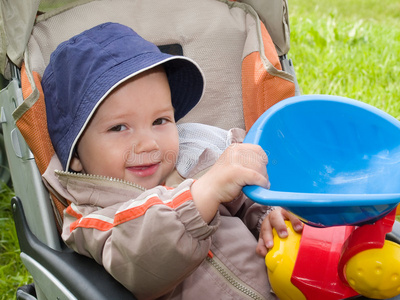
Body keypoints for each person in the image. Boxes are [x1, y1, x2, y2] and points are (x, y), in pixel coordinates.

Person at [42, 22, 303, 299]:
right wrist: (203, 194)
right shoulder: (93, 219)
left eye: (160, 120)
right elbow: (143, 262)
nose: (148, 143)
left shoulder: (195, 160)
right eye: (119, 127)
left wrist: (266, 213)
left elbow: (245, 199)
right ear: (77, 155)